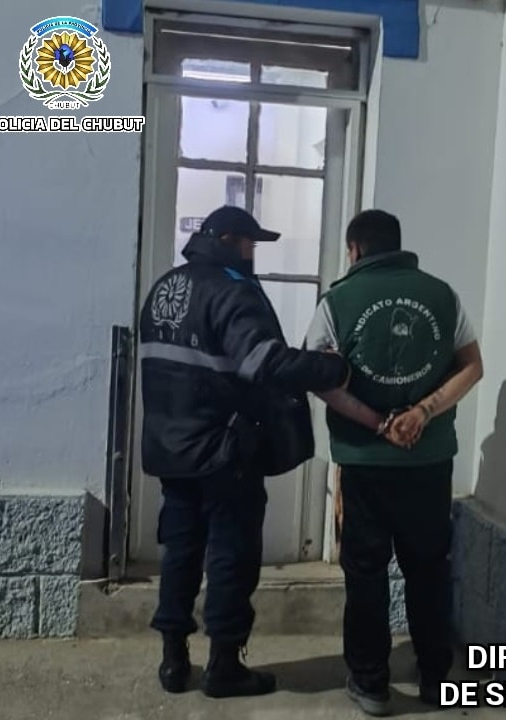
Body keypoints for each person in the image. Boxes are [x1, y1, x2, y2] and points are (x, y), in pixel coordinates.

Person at [139, 206, 350, 700]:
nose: (253, 254)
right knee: (231, 557)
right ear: (230, 240)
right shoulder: (232, 290)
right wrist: (332, 370)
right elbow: (264, 361)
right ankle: (224, 667)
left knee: (180, 553)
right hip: (223, 452)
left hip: (171, 449)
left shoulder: (166, 287)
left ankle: (173, 661)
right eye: (250, 244)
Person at [306, 209, 483, 716]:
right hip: (428, 462)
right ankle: (435, 678)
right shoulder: (443, 296)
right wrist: (422, 413)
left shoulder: (337, 301)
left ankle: (370, 683)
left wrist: (380, 423)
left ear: (355, 249)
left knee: (365, 572)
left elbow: (319, 378)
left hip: (364, 462)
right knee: (428, 568)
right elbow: (473, 366)